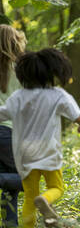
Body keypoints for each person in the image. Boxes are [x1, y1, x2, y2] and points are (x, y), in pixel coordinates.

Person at [0, 48, 80, 228]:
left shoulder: (18, 97)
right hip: (49, 152)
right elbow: (76, 115)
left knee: (29, 198)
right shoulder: (57, 95)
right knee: (57, 188)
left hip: (25, 154)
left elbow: (3, 113)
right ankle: (45, 199)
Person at [0, 24, 26, 227]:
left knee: (11, 181)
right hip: (9, 131)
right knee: (22, 179)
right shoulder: (21, 69)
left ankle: (10, 223)